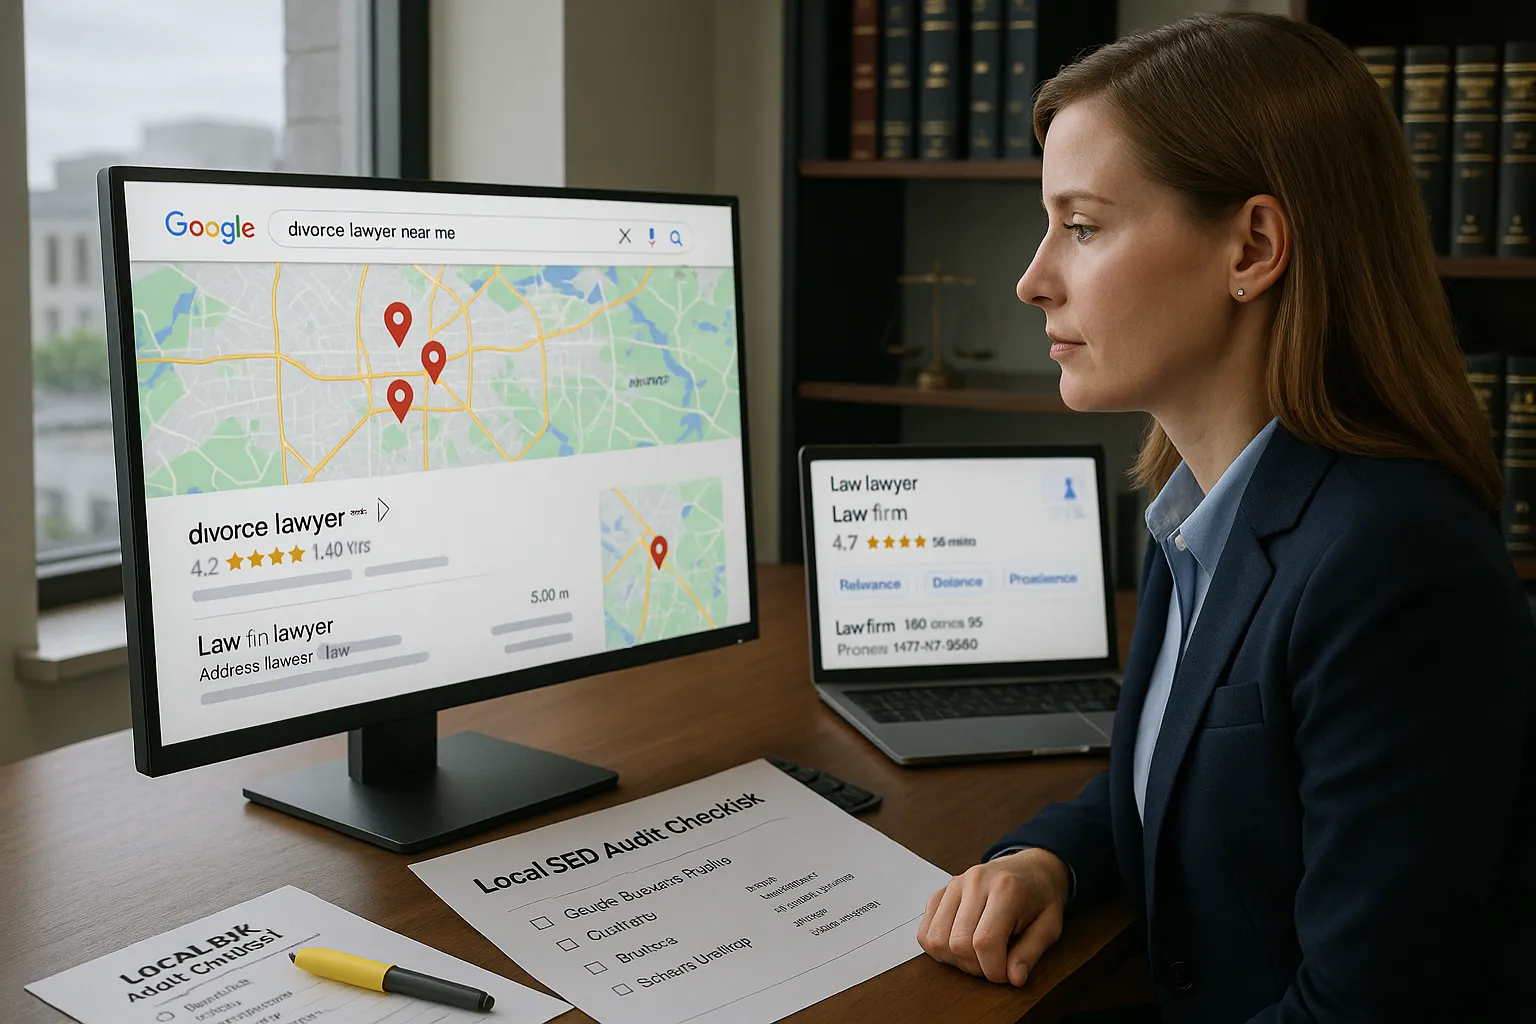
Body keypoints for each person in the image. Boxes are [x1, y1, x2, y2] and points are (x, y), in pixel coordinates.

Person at [916, 12, 1536, 1022]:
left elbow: (1362, 1008)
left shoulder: (1394, 563)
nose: (1032, 280)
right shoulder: (1201, 507)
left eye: (1083, 226)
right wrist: (1049, 858)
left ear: (1252, 247)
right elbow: (1205, 775)